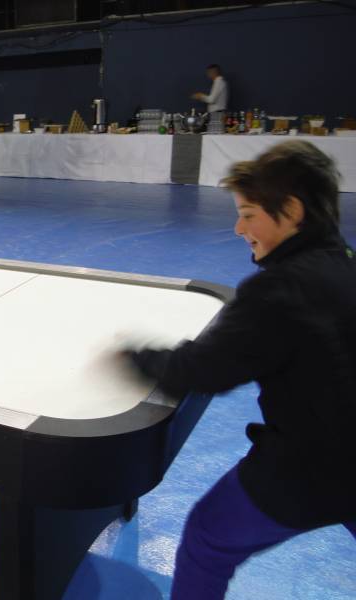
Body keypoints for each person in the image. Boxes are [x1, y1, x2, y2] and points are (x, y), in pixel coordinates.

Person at [123, 140, 356, 599]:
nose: (237, 227)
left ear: (290, 212)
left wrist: (137, 357)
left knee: (208, 537)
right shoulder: (346, 264)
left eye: (249, 214)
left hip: (314, 468)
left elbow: (205, 368)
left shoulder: (278, 290)